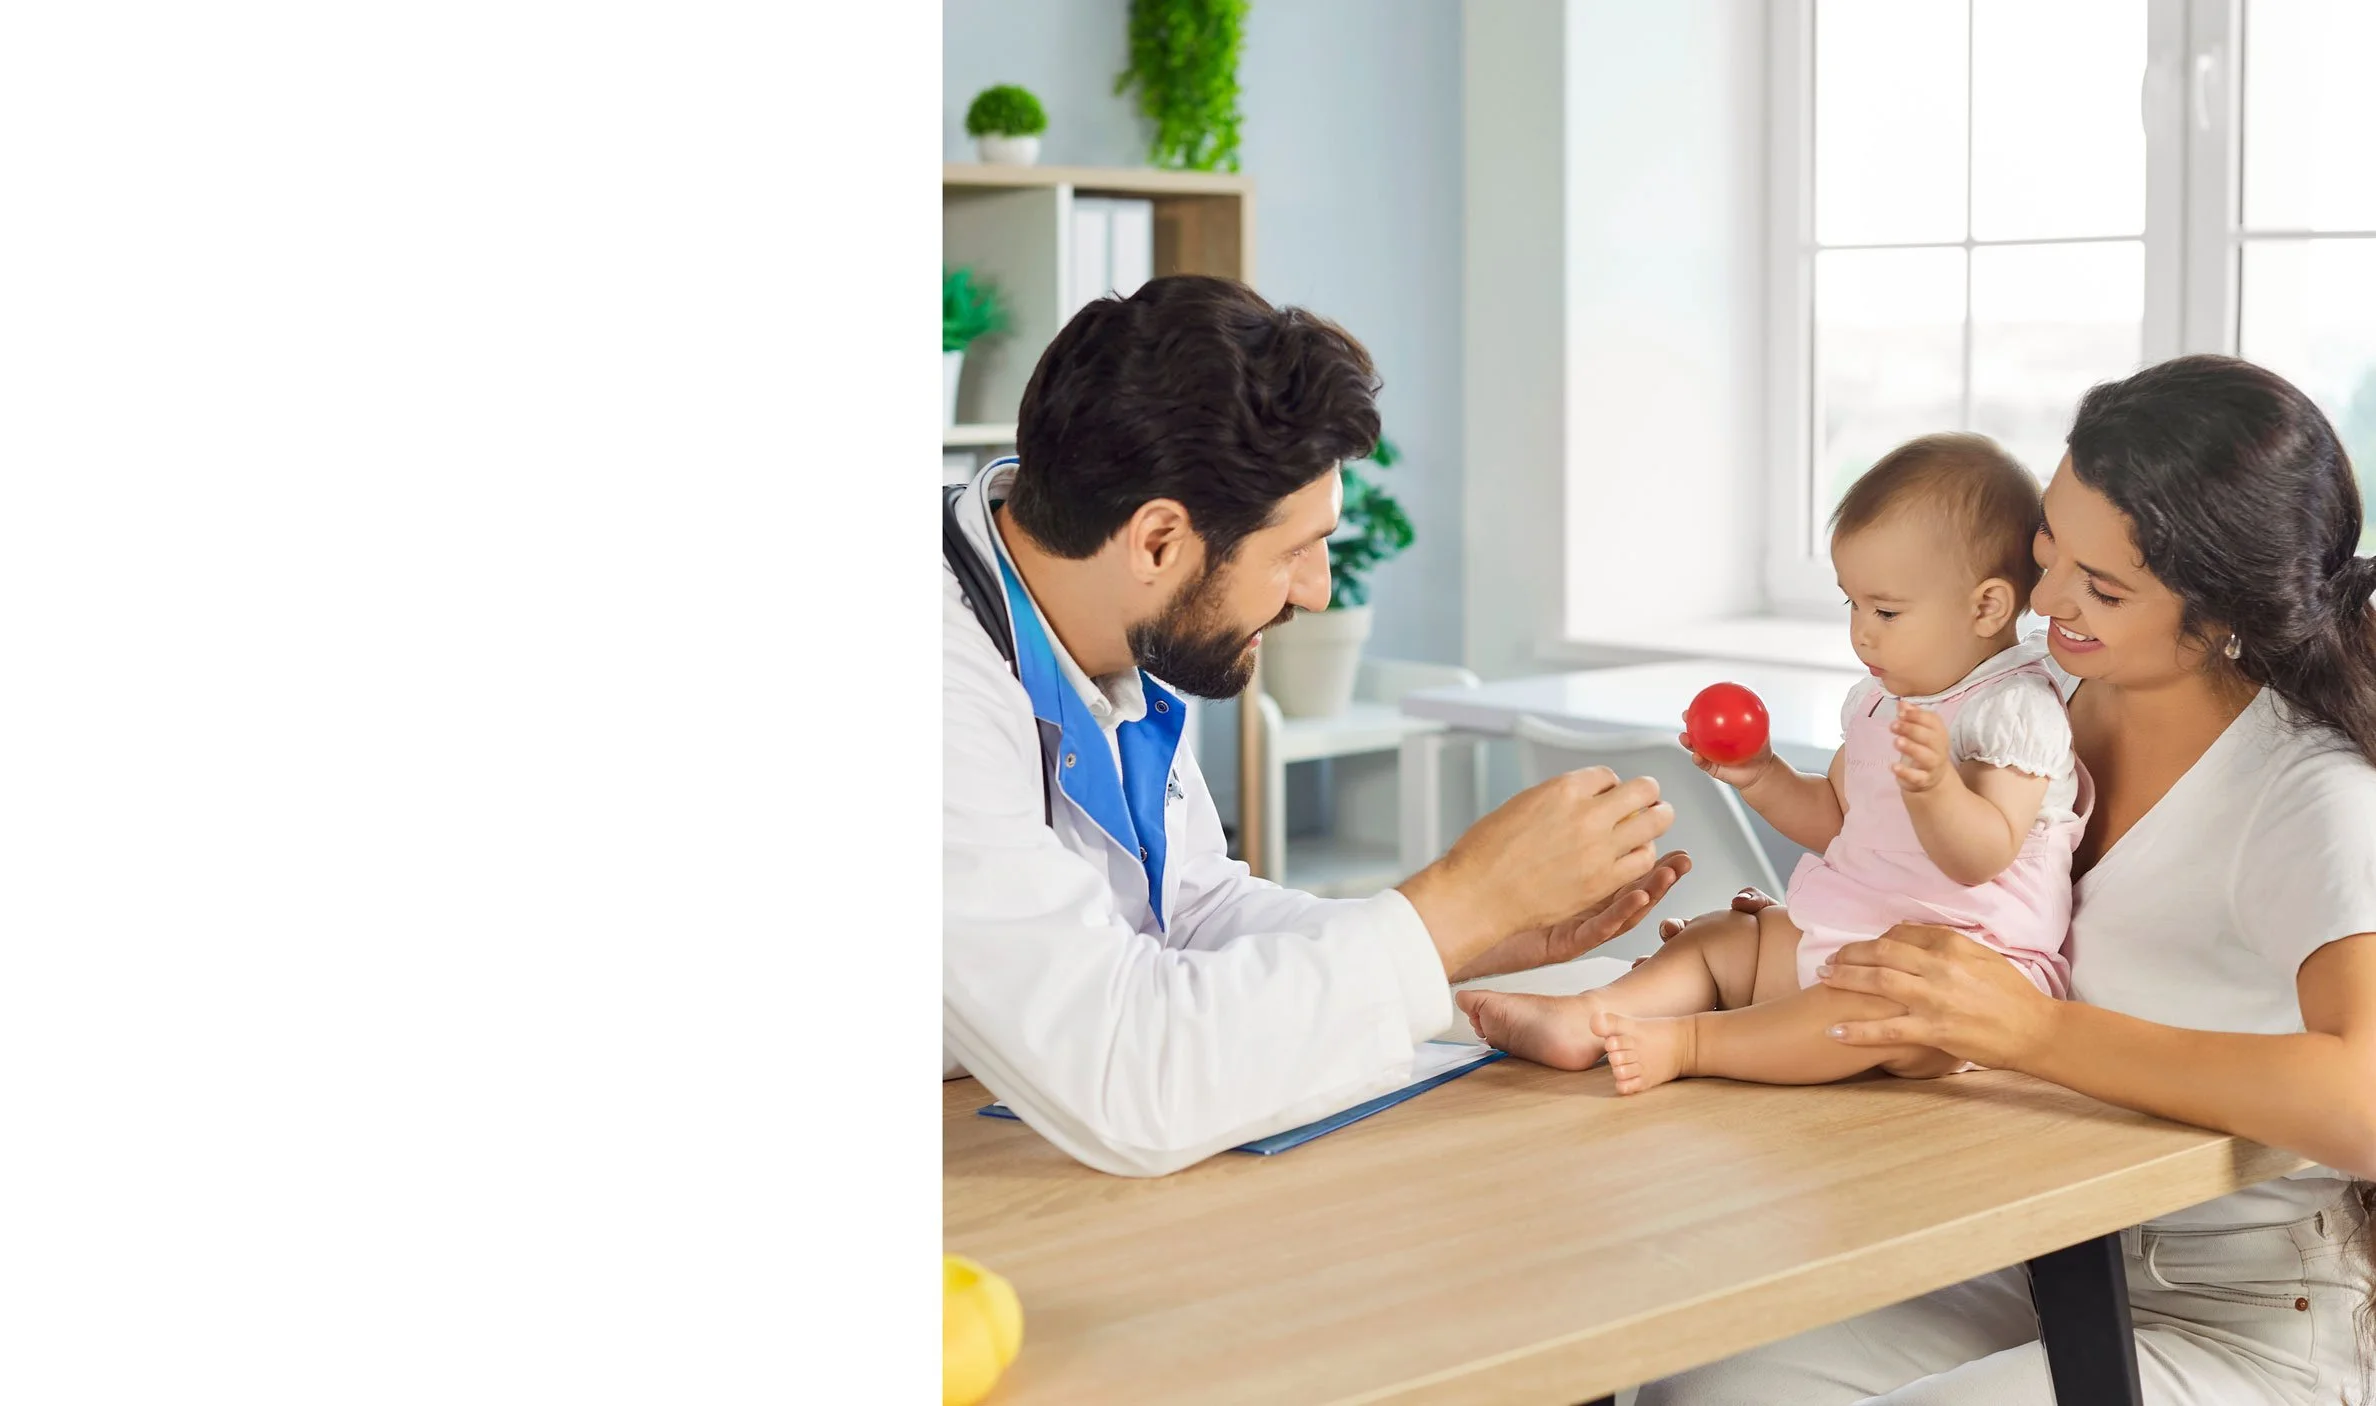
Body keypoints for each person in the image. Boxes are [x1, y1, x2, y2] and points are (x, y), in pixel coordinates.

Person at [1641, 355, 2376, 1403]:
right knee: (1706, 1387)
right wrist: (1816, 949)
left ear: (2223, 613)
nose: (2043, 597)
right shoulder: (2049, 693)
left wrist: (2028, 1031)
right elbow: (1974, 899)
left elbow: (2364, 1097)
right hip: (2045, 1245)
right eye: (2047, 549)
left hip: (2239, 1315)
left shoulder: (2307, 795)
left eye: (2102, 584)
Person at [943, 274, 1684, 1178]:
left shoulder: (1092, 629)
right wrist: (1456, 904)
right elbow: (1130, 1081)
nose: (1318, 589)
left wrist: (1473, 934)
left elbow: (1191, 912)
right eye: (1295, 549)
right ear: (1158, 542)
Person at [1458, 434, 2087, 1094]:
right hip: (1853, 934)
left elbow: (1982, 855)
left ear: (1986, 606)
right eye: (1852, 603)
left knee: (1871, 1008)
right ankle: (1589, 1016)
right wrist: (1764, 777)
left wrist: (1936, 789)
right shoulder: (1880, 700)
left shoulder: (2012, 709)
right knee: (1728, 939)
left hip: (1964, 980)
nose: (1861, 632)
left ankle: (1689, 1041)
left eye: (1887, 611)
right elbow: (1841, 824)